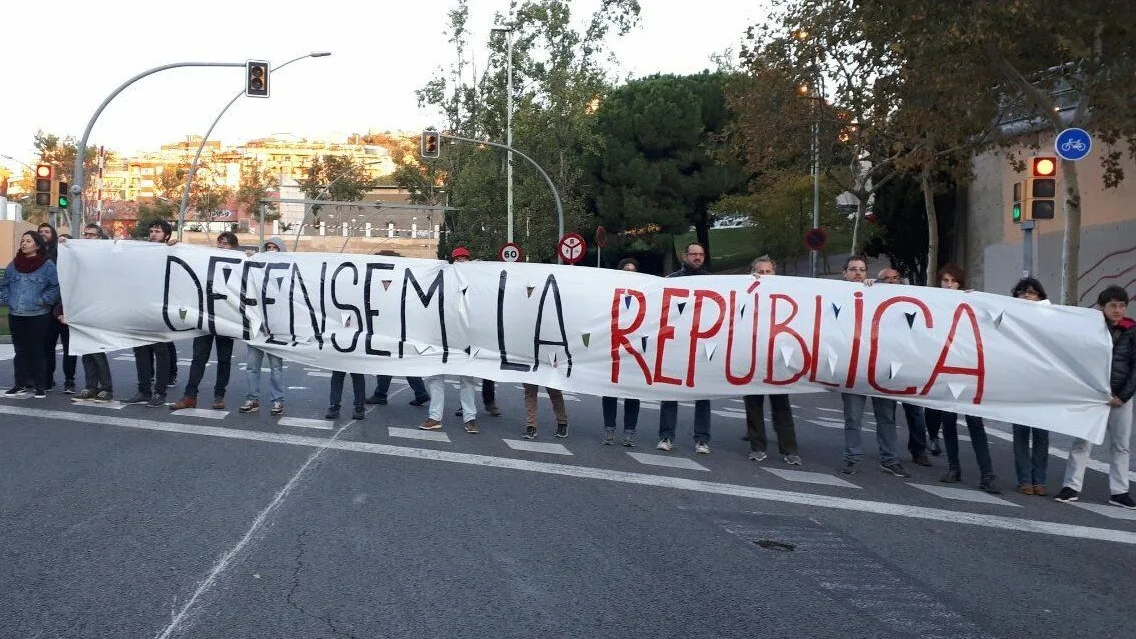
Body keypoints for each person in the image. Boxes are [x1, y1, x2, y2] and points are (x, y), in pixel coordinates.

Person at [1055, 285, 1135, 509]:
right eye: (1113, 305)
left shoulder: (1132, 331)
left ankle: (1119, 491)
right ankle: (1071, 486)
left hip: (1121, 397)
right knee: (1082, 441)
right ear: (1102, 307)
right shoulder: (1090, 329)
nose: (1118, 310)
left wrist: (1123, 395)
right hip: (1093, 396)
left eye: (1121, 305)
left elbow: (1134, 369)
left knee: (1121, 445)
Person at [927, 263, 999, 494]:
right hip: (947, 373)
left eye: (953, 281)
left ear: (960, 283)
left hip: (968, 373)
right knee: (948, 423)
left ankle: (987, 474)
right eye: (945, 281)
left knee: (975, 424)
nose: (949, 285)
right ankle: (953, 467)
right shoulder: (935, 303)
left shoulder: (972, 303)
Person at [839, 256, 908, 478]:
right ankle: (852, 458)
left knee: (887, 416)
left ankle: (889, 459)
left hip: (882, 367)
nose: (858, 273)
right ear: (845, 273)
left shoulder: (877, 292)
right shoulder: (835, 295)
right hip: (854, 367)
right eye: (853, 270)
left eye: (862, 270)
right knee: (853, 416)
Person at [170, 232, 241, 410]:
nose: (222, 246)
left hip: (226, 319)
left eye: (226, 243)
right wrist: (177, 247)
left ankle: (219, 396)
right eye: (220, 243)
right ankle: (190, 395)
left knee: (224, 359)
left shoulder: (239, 264)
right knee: (198, 358)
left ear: (234, 247)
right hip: (205, 318)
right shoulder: (207, 262)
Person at [872, 267, 932, 467]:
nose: (892, 282)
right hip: (884, 365)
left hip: (908, 364)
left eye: (895, 278)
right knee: (887, 413)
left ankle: (919, 449)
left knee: (915, 411)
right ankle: (889, 454)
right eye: (887, 279)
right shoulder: (874, 300)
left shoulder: (913, 299)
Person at [657, 243, 713, 454]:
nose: (697, 257)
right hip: (676, 344)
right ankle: (666, 436)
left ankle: (702, 439)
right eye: (693, 254)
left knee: (703, 394)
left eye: (700, 254)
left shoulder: (715, 282)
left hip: (703, 346)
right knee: (670, 391)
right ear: (685, 256)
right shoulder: (671, 281)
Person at [744, 256, 801, 464]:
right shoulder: (746, 293)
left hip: (778, 358)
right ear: (753, 272)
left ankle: (789, 450)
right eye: (761, 271)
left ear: (775, 274)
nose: (765, 275)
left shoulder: (786, 293)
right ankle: (757, 447)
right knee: (753, 405)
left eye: (769, 272)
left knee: (781, 405)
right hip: (753, 357)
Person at [123, 220, 177, 407]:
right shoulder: (140, 251)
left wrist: (173, 247)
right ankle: (143, 390)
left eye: (158, 231)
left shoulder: (172, 250)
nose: (153, 234)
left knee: (160, 351)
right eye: (151, 231)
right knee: (140, 350)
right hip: (139, 307)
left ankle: (160, 392)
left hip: (159, 309)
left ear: (166, 236)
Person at [0, 231, 60, 398]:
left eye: (28, 241)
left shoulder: (47, 265)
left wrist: (43, 300)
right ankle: (19, 384)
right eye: (22, 241)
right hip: (16, 313)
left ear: (37, 245)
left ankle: (40, 386)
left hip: (38, 314)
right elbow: (4, 285)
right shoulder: (14, 265)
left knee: (37, 351)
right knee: (20, 351)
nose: (24, 244)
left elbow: (55, 286)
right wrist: (7, 299)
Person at [449, 246, 503, 418]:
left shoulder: (478, 276)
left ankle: (489, 402)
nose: (461, 261)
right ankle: (465, 405)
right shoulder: (452, 278)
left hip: (483, 329)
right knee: (467, 370)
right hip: (464, 332)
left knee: (487, 368)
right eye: (458, 259)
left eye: (464, 258)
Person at [1009, 277, 1052, 495]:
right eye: (1023, 292)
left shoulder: (1051, 321)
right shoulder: (1008, 319)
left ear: (1041, 298)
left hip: (1043, 385)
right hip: (1019, 383)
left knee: (1041, 435)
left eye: (1032, 293)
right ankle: (1025, 480)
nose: (1027, 296)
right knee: (1021, 433)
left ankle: (1040, 480)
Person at [239, 237, 288, 415]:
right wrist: (252, 258)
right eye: (268, 247)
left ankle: (278, 401)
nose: (271, 250)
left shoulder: (287, 274)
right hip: (256, 327)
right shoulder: (255, 270)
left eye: (275, 248)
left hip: (276, 329)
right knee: (252, 366)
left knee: (276, 368)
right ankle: (252, 399)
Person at [67, 224, 115, 402]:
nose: (87, 237)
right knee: (85, 350)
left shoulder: (106, 255)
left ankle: (106, 388)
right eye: (85, 234)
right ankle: (91, 386)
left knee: (97, 351)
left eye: (92, 235)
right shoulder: (79, 255)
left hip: (98, 309)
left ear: (100, 238)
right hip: (82, 307)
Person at [603, 257, 643, 446]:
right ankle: (609, 429)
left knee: (632, 392)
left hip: (634, 350)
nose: (630, 274)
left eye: (633, 271)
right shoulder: (610, 293)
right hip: (613, 348)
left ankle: (629, 432)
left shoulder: (645, 295)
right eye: (626, 270)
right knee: (610, 390)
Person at [37, 223, 77, 392]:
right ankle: (47, 379)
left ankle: (69, 380)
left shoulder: (61, 250)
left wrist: (65, 242)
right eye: (40, 232)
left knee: (69, 347)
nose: (43, 234)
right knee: (47, 345)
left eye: (47, 231)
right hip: (46, 309)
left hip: (66, 307)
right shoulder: (35, 254)